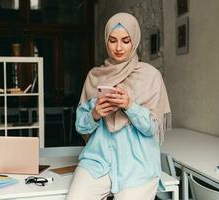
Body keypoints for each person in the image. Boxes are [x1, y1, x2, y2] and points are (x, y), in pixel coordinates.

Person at [67, 12, 171, 200]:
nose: (118, 47)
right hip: (97, 161)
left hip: (138, 164)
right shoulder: (95, 76)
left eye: (125, 40)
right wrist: (95, 114)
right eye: (112, 40)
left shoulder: (151, 76)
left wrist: (130, 106)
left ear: (134, 41)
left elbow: (152, 128)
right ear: (106, 41)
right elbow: (80, 126)